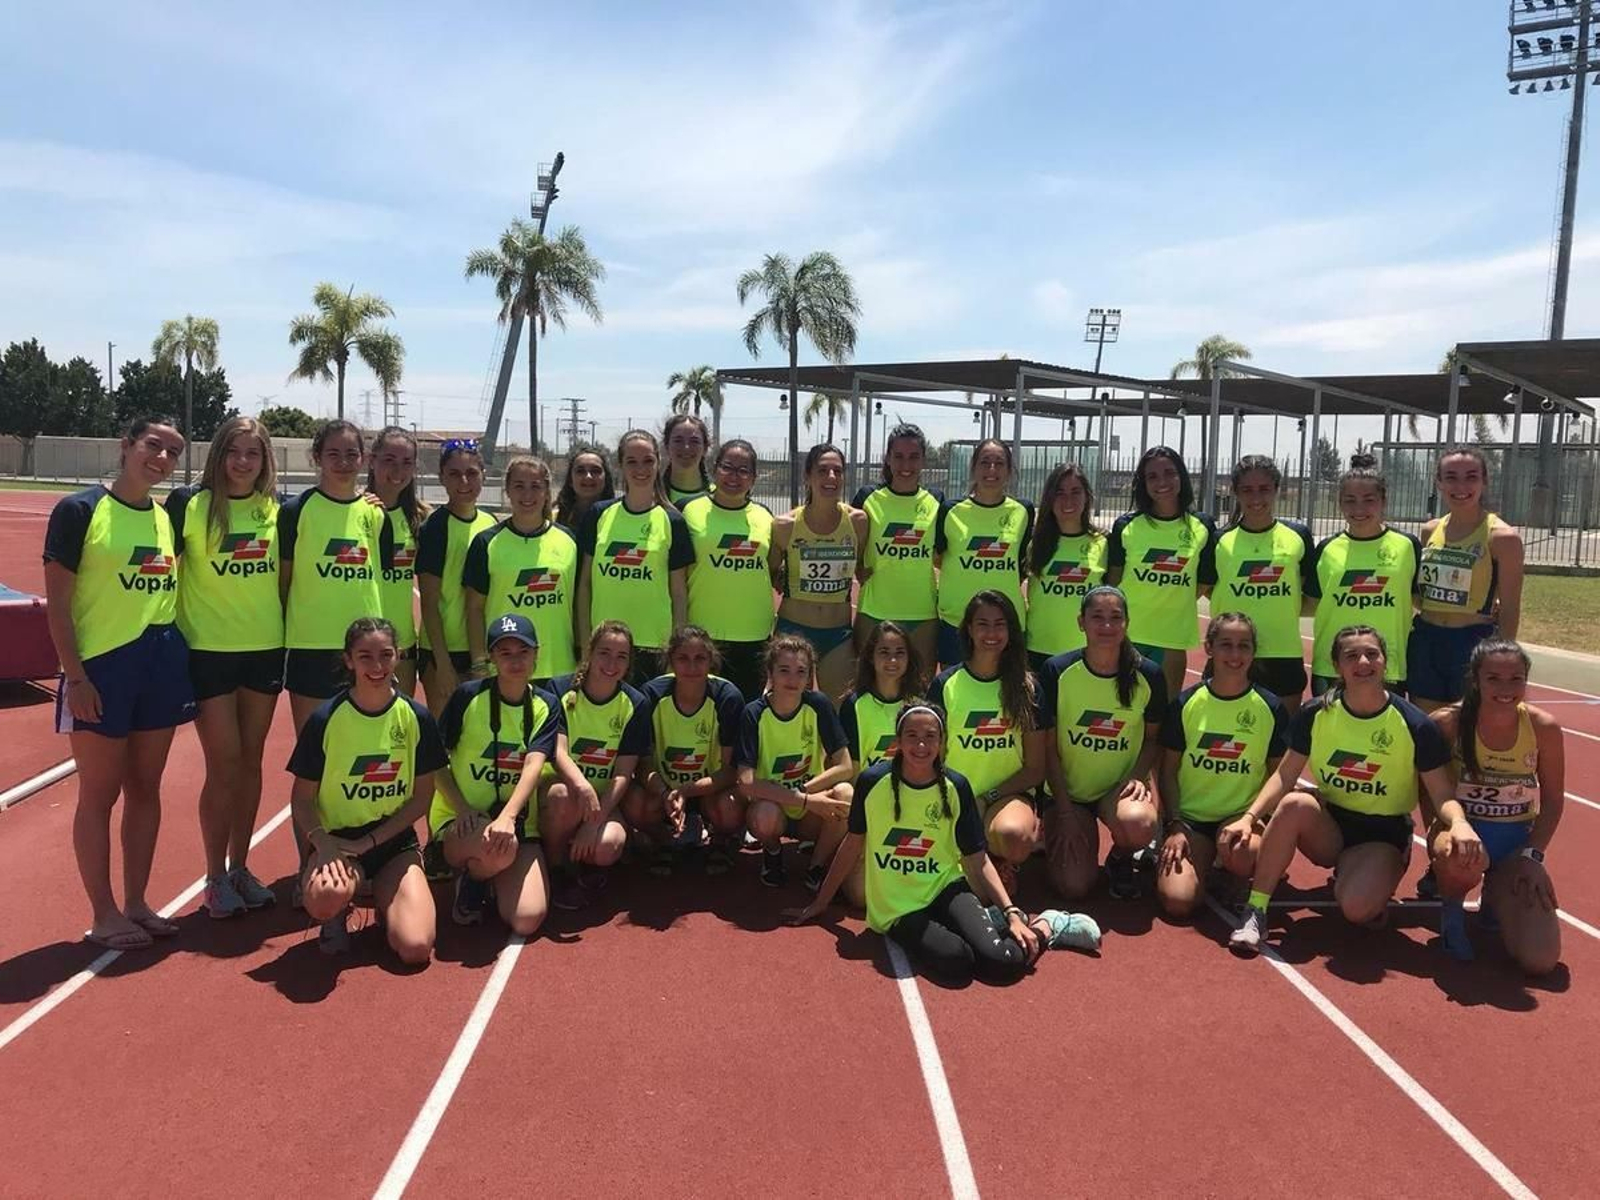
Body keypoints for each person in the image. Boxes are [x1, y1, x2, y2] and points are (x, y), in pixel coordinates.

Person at [791, 703, 1100, 983]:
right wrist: (821, 901)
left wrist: (1012, 912)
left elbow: (977, 858)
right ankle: (983, 924)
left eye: (930, 736)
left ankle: (1048, 926)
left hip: (945, 887)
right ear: (897, 741)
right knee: (957, 964)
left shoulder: (956, 786)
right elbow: (852, 843)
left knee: (1001, 964)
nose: (921, 744)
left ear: (942, 742)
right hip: (899, 909)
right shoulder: (873, 782)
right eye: (911, 735)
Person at [1228, 625, 1484, 956]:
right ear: (1337, 666)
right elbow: (1284, 775)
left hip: (1383, 833)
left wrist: (1459, 823)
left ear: (1384, 662)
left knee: (1356, 909)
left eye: (1371, 654)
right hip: (1332, 827)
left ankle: (1368, 879)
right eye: (1351, 656)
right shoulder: (1316, 713)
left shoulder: (1416, 724)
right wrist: (1249, 819)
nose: (1362, 662)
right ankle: (1256, 910)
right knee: (1294, 804)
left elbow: (1441, 794)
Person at [44, 415, 193, 951]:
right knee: (99, 794)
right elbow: (58, 607)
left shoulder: (165, 516)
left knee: (146, 789)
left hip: (159, 663)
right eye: (154, 445)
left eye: (173, 452)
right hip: (101, 669)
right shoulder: (80, 511)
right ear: (126, 445)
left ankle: (136, 902)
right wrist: (76, 676)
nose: (162, 458)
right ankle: (103, 912)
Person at [165, 416, 284, 918]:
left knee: (252, 762)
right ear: (219, 454)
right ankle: (213, 876)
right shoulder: (187, 506)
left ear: (264, 461)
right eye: (234, 452)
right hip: (209, 653)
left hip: (263, 649)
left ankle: (240, 867)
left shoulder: (279, 511)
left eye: (252, 454)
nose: (242, 462)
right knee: (224, 763)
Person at [290, 617, 445, 960]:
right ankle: (337, 910)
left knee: (416, 948)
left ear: (398, 656)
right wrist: (325, 845)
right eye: (365, 656)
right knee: (323, 897)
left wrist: (371, 842)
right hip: (340, 844)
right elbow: (301, 799)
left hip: (393, 844)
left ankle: (388, 898)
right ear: (348, 660)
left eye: (385, 655)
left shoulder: (416, 718)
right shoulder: (325, 720)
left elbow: (422, 798)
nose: (377, 666)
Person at [1429, 640, 1562, 971]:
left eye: (1516, 679)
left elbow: (1554, 802)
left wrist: (1533, 857)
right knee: (1464, 857)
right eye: (1493, 679)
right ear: (1475, 680)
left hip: (1515, 843)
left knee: (1541, 961)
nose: (1506, 688)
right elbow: (1427, 788)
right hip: (1462, 837)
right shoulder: (1448, 723)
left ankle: (1494, 898)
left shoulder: (1543, 728)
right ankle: (1452, 910)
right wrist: (1437, 834)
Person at [429, 614, 559, 936]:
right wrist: (461, 808)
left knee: (527, 919)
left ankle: (485, 874)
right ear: (491, 658)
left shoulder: (546, 705)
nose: (515, 660)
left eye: (523, 652)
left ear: (536, 654)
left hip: (516, 825)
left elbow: (533, 764)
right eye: (505, 652)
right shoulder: (467, 697)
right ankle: (472, 877)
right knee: (497, 850)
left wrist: (508, 817)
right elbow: (432, 762)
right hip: (463, 819)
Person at [1038, 586, 1168, 901]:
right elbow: (1048, 748)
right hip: (1069, 794)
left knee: (1139, 823)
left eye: (1115, 618)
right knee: (1074, 887)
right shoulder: (1057, 670)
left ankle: (1121, 856)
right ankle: (1061, 831)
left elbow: (1153, 740)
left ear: (1126, 623)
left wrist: (1137, 776)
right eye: (1097, 617)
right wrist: (1065, 811)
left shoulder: (1148, 675)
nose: (1107, 626)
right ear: (1081, 622)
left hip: (1117, 791)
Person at [1154, 612, 1287, 921]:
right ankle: (1201, 863)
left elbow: (1279, 773)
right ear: (1209, 648)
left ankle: (1234, 872)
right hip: (1192, 819)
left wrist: (1254, 817)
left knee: (1242, 855)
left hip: (1240, 818)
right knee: (1178, 902)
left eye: (1244, 646)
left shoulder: (1270, 707)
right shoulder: (1187, 704)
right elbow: (1168, 771)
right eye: (1226, 644)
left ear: (1254, 651)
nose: (1235, 654)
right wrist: (1174, 824)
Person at [926, 591, 1044, 893]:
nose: (991, 633)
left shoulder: (1025, 687)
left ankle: (1002, 858)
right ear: (968, 629)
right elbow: (931, 757)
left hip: (1004, 797)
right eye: (982, 624)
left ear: (1011, 630)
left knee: (1014, 834)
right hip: (954, 797)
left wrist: (987, 797)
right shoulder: (945, 684)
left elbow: (1034, 768)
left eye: (1000, 624)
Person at [280, 420, 389, 734]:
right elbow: (284, 581)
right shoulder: (295, 510)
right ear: (317, 457)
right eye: (333, 454)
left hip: (365, 647)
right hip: (311, 646)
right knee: (313, 749)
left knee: (359, 743)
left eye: (351, 454)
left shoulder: (375, 513)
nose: (343, 463)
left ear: (363, 459)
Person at [539, 620, 650, 911]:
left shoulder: (635, 703)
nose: (611, 663)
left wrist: (595, 819)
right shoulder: (558, 689)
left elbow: (624, 773)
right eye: (604, 652)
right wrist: (583, 788)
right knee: (564, 798)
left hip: (602, 802)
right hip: (561, 793)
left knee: (609, 846)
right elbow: (558, 753)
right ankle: (556, 867)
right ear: (590, 652)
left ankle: (585, 859)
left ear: (629, 663)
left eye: (621, 656)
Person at [737, 634, 857, 892]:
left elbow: (845, 765)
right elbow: (746, 782)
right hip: (773, 805)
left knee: (846, 794)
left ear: (809, 675)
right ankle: (772, 851)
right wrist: (802, 799)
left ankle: (816, 866)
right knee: (765, 816)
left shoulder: (818, 705)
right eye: (784, 670)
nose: (793, 679)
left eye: (801, 671)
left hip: (810, 803)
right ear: (770, 673)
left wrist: (805, 793)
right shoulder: (754, 714)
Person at [1410, 447, 1525, 711]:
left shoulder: (1503, 538)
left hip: (1473, 642)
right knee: (1429, 730)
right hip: (1427, 639)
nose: (1461, 486)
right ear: (1438, 482)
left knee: (1469, 729)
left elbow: (1510, 606)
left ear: (1484, 481)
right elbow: (1424, 592)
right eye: (1451, 477)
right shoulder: (1430, 531)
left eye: (1471, 476)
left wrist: (1504, 657)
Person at [575, 430, 693, 685]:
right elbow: (584, 586)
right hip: (605, 647)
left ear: (659, 462)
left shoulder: (672, 521)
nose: (641, 469)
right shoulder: (599, 514)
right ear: (620, 465)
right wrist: (586, 644)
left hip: (654, 648)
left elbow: (679, 593)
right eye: (632, 461)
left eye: (648, 460)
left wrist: (675, 648)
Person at [1199, 455, 1314, 712]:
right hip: (1231, 653)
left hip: (1282, 654)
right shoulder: (1219, 540)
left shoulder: (1298, 536)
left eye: (1264, 489)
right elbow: (1207, 589)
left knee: (1280, 741)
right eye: (1247, 490)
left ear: (1277, 490)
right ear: (1235, 492)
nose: (1256, 498)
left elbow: (1305, 592)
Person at [630, 625, 747, 875]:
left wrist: (686, 790)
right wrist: (665, 793)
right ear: (670, 661)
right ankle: (666, 839)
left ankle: (720, 839)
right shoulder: (650, 696)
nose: (692, 668)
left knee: (730, 807)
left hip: (710, 792)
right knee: (633, 803)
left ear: (711, 660)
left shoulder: (727, 698)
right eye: (683, 659)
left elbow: (730, 771)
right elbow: (643, 765)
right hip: (664, 792)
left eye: (700, 659)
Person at [1106, 446, 1215, 703]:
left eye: (1169, 473)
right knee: (1123, 713)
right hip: (1128, 638)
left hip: (1171, 641)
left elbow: (1206, 579)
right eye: (1152, 476)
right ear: (1143, 483)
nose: (1162, 482)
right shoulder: (1126, 526)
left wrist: (1172, 597)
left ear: (1182, 477)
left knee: (1164, 715)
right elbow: (1113, 581)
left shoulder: (1203, 526)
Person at [1305, 454, 1419, 697]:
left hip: (1388, 668)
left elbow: (1421, 600)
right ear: (1339, 503)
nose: (1359, 509)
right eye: (1350, 500)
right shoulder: (1327, 548)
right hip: (1332, 667)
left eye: (1369, 500)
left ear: (1383, 501)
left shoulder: (1407, 546)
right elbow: (1312, 603)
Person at [463, 455, 579, 685]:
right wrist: (479, 662)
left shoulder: (568, 540)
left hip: (559, 669)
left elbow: (577, 606)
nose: (528, 495)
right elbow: (474, 609)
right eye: (519, 486)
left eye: (536, 486)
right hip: (505, 670)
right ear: (507, 490)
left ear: (547, 491)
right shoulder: (486, 542)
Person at [681, 438, 774, 698]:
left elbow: (775, 567)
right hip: (704, 636)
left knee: (745, 720)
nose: (734, 476)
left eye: (744, 470)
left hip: (754, 636)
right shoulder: (689, 511)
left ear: (753, 478)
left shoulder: (765, 517)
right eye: (728, 467)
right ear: (715, 469)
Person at [771, 444, 866, 698]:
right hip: (793, 630)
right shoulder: (785, 526)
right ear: (808, 476)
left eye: (837, 471)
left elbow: (863, 570)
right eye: (823, 471)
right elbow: (769, 572)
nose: (831, 477)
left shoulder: (858, 523)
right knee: (788, 706)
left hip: (838, 634)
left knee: (840, 709)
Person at [934, 439, 1033, 668]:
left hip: (1006, 625)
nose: (991, 470)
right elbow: (937, 559)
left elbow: (1020, 564)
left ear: (1009, 470)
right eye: (985, 462)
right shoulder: (950, 510)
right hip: (957, 623)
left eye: (999, 463)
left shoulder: (1023, 511)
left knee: (1008, 697)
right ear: (974, 467)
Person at [853, 423, 942, 671]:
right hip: (874, 612)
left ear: (924, 460)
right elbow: (845, 541)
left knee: (919, 696)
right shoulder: (867, 498)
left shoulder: (937, 501)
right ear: (888, 460)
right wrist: (857, 566)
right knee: (870, 689)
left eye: (914, 457)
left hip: (922, 615)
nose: (906, 465)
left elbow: (944, 554)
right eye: (899, 457)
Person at [416, 438, 496, 714]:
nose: (464, 481)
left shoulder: (490, 523)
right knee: (446, 738)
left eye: (472, 473)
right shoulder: (435, 528)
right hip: (443, 651)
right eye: (454, 473)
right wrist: (443, 664)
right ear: (441, 478)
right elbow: (428, 601)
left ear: (483, 475)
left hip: (481, 651)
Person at [1025, 463, 1107, 673]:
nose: (1067, 500)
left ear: (1087, 496)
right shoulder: (1033, 542)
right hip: (1037, 650)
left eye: (1075, 492)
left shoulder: (1105, 544)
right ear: (1049, 498)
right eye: (1059, 492)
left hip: (1084, 652)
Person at [366, 426, 428, 695]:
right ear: (372, 461)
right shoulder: (356, 509)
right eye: (389, 461)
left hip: (402, 646)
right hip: (361, 642)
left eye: (406, 463)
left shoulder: (420, 518)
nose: (397, 471)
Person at [840, 620, 925, 777]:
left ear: (908, 657)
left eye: (899, 652)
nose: (892, 660)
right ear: (871, 657)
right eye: (884, 652)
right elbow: (853, 769)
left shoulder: (919, 704)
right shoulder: (854, 705)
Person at [553, 444, 614, 530]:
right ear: (570, 480)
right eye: (580, 471)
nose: (588, 476)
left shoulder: (618, 518)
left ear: (606, 478)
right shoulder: (552, 520)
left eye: (595, 471)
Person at [662, 412, 713, 507]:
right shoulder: (652, 496)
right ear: (666, 446)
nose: (686, 447)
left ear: (705, 448)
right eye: (678, 441)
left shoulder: (719, 497)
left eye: (694, 441)